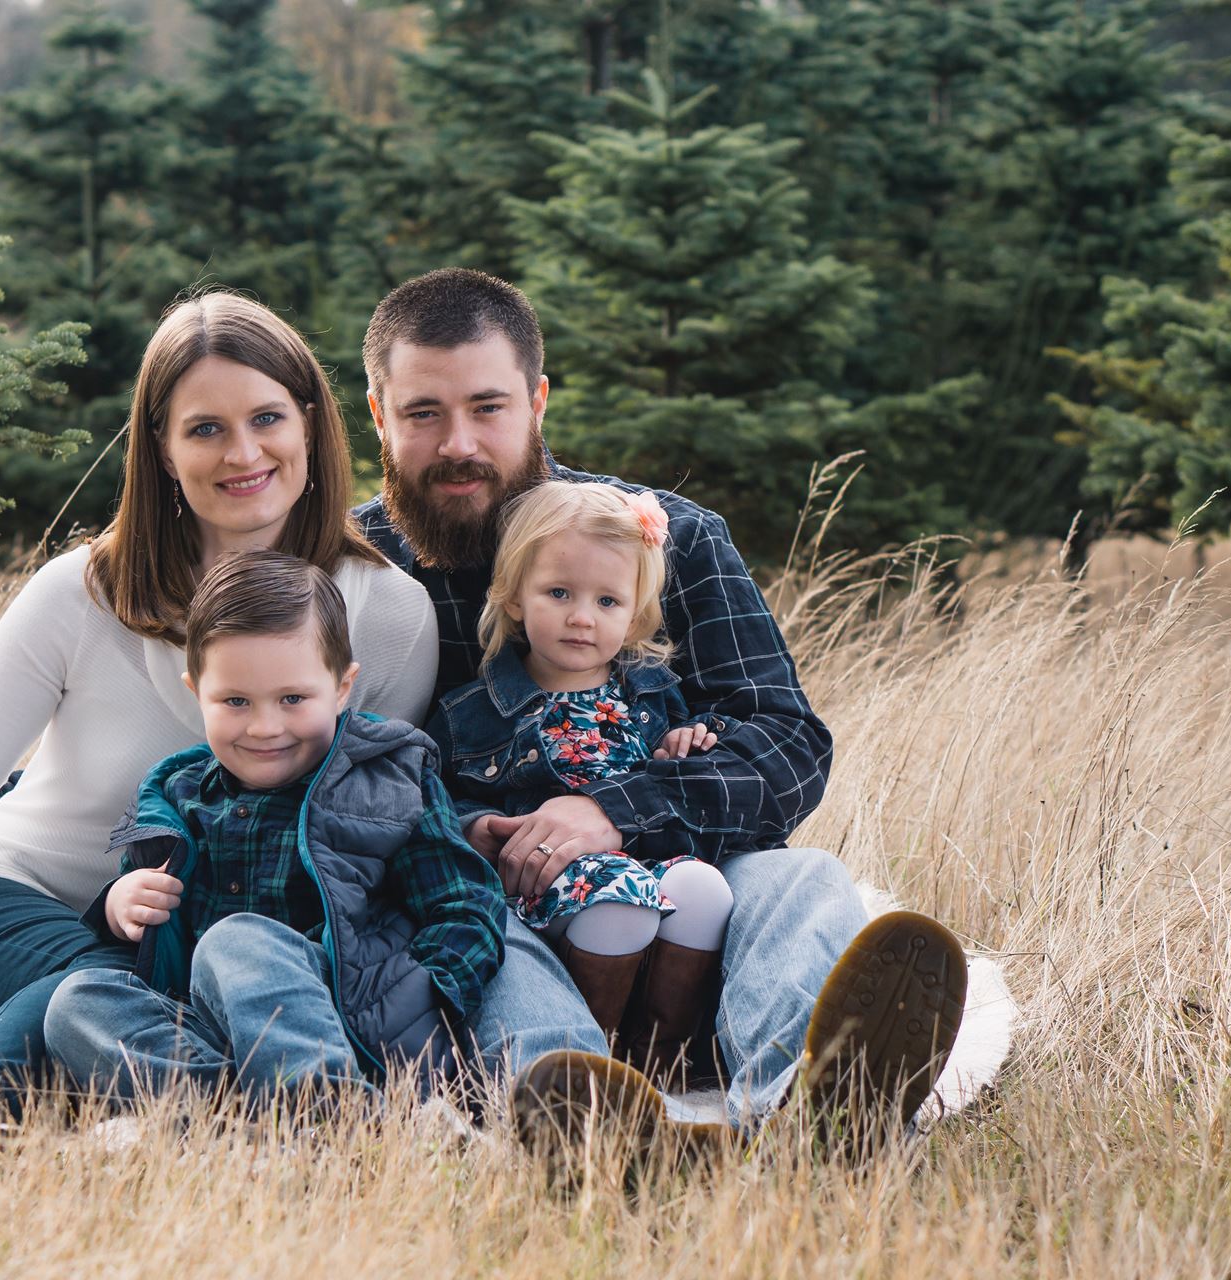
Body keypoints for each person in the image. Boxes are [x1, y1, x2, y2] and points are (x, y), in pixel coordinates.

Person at [351, 268, 968, 1154]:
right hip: (504, 898)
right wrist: (475, 833)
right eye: (422, 414)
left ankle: (815, 1119)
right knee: (489, 943)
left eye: (488, 407)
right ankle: (590, 1129)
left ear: (538, 400)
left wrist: (613, 810)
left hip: (695, 883)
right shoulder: (354, 575)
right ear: (378, 414)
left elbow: (787, 744)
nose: (460, 443)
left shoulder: (663, 537)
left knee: (808, 884)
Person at [0, 292, 440, 1123]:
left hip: (223, 944)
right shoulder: (80, 592)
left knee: (182, 990)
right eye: (204, 428)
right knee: (107, 985)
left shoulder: (387, 614)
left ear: (310, 422)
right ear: (163, 451)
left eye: (268, 417)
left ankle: (259, 1113)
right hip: (20, 901)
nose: (244, 453)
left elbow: (369, 827)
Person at [42, 550, 506, 1105]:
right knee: (77, 1002)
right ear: (197, 694)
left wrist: (422, 997)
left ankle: (334, 1112)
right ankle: (244, 1116)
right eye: (235, 701)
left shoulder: (386, 778)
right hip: (213, 1025)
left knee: (237, 939)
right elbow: (145, 923)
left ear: (341, 688)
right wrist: (122, 906)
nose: (265, 727)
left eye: (292, 698)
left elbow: (466, 905)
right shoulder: (179, 794)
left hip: (351, 1012)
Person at [426, 480, 734, 1088]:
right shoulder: (471, 711)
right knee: (617, 899)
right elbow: (433, 798)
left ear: (636, 613)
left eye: (607, 602)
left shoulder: (652, 693)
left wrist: (684, 744)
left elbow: (688, 763)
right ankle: (593, 1068)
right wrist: (475, 827)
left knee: (703, 889)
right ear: (514, 598)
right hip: (543, 885)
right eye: (559, 593)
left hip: (648, 861)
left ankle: (662, 1063)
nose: (580, 617)